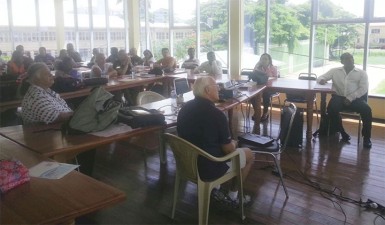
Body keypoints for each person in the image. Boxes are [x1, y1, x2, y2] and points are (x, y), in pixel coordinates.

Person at [177, 76, 254, 204]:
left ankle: (215, 189)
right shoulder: (217, 115)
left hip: (186, 164)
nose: (219, 89)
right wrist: (234, 144)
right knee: (249, 154)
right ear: (207, 90)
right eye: (216, 87)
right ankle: (233, 196)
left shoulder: (184, 108)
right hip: (208, 169)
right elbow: (228, 150)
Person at [317, 52, 372, 148]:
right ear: (342, 61)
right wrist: (322, 80)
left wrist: (350, 98)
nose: (349, 60)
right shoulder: (335, 71)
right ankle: (342, 132)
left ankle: (367, 138)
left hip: (355, 99)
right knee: (331, 109)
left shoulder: (361, 73)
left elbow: (363, 89)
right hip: (339, 97)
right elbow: (321, 77)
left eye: (351, 58)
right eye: (346, 58)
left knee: (367, 110)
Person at [252, 53, 279, 121]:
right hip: (259, 87)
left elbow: (276, 80)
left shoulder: (273, 68)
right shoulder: (258, 67)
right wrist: (256, 66)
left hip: (271, 88)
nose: (263, 60)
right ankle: (256, 111)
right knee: (252, 94)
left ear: (269, 60)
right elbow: (253, 76)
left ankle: (265, 112)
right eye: (262, 59)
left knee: (266, 94)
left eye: (265, 59)